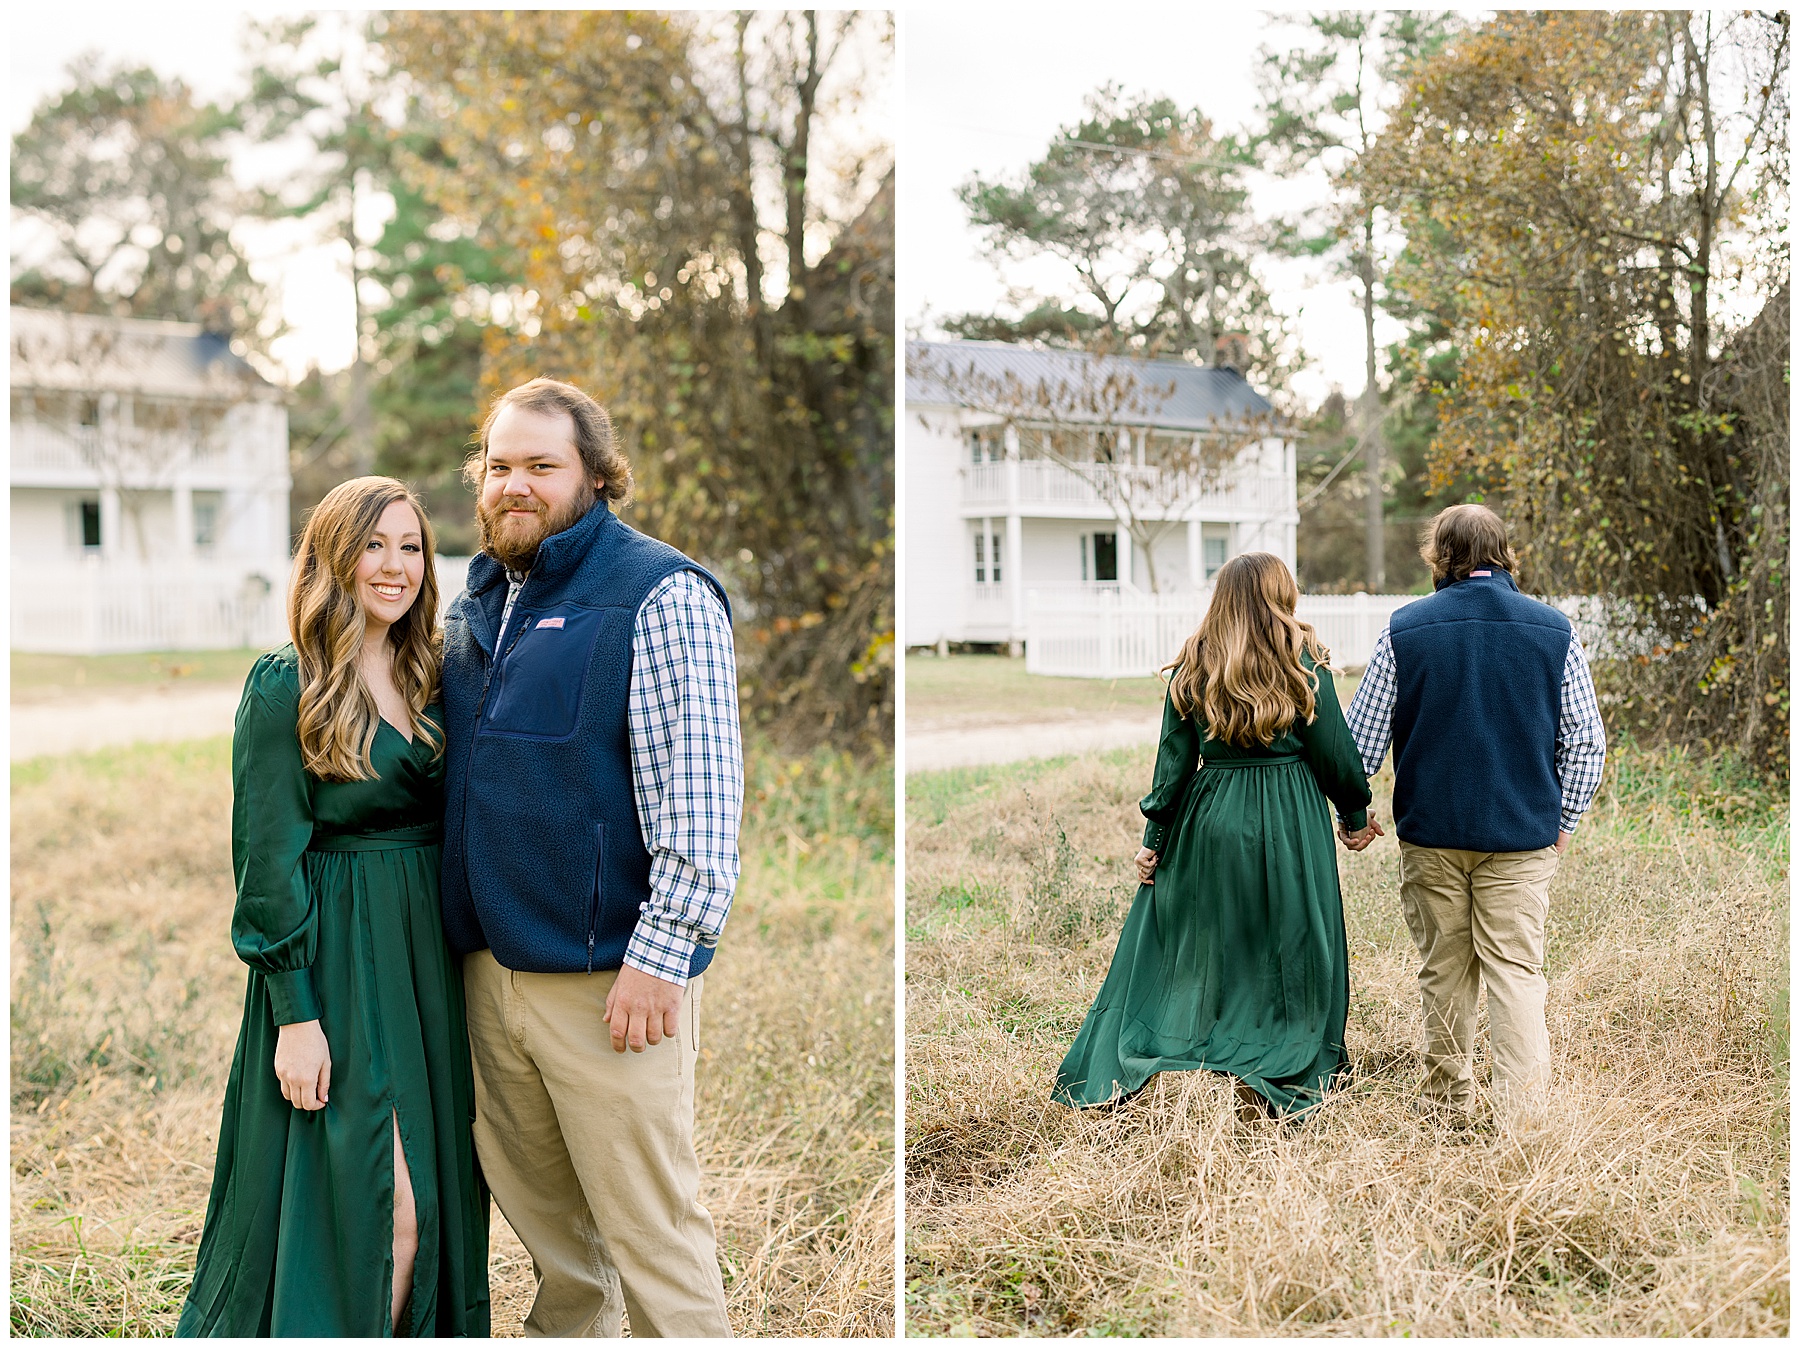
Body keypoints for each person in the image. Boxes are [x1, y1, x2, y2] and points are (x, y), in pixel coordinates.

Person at [439, 377, 742, 1337]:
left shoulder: (659, 592)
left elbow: (696, 798)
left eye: (541, 465)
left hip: (612, 982)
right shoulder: (478, 601)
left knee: (651, 1230)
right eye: (500, 466)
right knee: (555, 1241)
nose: (515, 484)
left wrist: (663, 959)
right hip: (491, 974)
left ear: (596, 477)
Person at [178, 477, 490, 1336]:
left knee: (433, 1190)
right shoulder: (288, 682)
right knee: (376, 1202)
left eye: (413, 546)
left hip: (428, 956)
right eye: (374, 546)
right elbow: (267, 861)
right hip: (337, 959)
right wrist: (294, 1015)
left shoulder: (436, 668)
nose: (396, 566)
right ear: (332, 557)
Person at [1054, 552, 1377, 1121]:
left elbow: (1172, 762)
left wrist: (1154, 838)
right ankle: (1282, 1043)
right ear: (1283, 594)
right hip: (1289, 812)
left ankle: (1209, 1037)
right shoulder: (1301, 656)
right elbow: (1333, 751)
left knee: (1212, 936)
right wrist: (1353, 814)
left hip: (1211, 811)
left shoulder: (1196, 661)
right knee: (1295, 932)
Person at [1342, 503, 1606, 1118]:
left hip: (1431, 834)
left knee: (1444, 969)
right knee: (1516, 972)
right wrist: (1561, 825)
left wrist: (1355, 809)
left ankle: (1446, 1105)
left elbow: (1361, 742)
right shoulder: (1553, 630)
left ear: (1440, 556)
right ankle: (1523, 1119)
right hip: (1522, 838)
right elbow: (1586, 742)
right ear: (1503, 552)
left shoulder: (1403, 629)